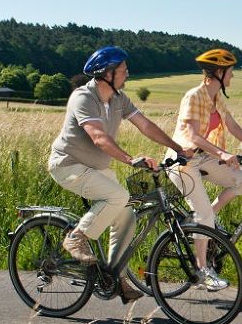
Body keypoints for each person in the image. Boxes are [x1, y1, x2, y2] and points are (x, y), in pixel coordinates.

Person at [47, 46, 187, 303]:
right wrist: (130, 159)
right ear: (107, 73)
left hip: (96, 168)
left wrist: (177, 148)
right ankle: (76, 238)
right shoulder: (83, 97)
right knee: (119, 195)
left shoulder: (118, 99)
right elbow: (98, 137)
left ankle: (115, 276)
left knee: (127, 217)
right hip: (68, 165)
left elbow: (145, 124)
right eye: (123, 70)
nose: (127, 74)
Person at [166, 48, 242, 290]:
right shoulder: (194, 96)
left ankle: (203, 223)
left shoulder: (217, 98)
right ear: (220, 72)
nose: (232, 77)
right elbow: (191, 135)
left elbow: (231, 124)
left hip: (203, 159)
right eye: (230, 72)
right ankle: (202, 272)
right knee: (205, 215)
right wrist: (222, 153)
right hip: (182, 162)